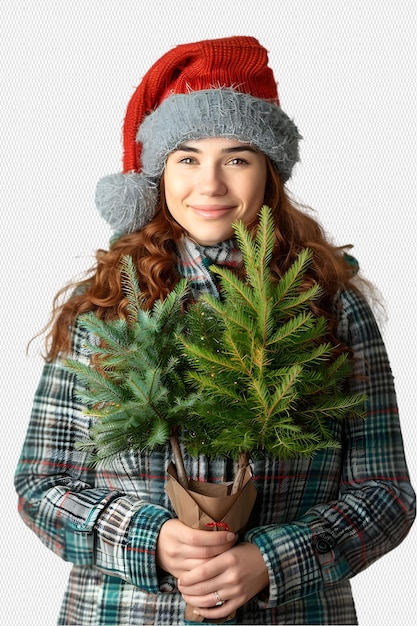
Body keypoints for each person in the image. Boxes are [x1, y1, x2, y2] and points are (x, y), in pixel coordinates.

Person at [15, 36, 415, 626]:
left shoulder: (330, 307)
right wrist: (148, 538)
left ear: (268, 172)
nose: (210, 185)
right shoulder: (103, 308)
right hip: (123, 614)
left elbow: (387, 493)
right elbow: (41, 484)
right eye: (187, 158)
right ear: (158, 173)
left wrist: (272, 559)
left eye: (236, 158)